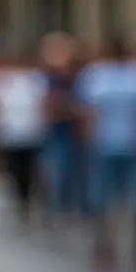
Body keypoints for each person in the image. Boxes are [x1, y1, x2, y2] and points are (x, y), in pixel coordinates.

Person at [76, 37, 136, 272]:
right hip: (104, 147)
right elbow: (87, 112)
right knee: (101, 200)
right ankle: (104, 248)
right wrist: (88, 138)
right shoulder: (96, 75)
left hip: (134, 146)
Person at [0, 49, 48, 224]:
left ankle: (26, 198)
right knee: (14, 167)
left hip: (30, 132)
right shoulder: (3, 79)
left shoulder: (35, 80)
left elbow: (42, 104)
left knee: (28, 168)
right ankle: (18, 197)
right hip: (9, 132)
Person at [40, 32, 84, 225]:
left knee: (71, 173)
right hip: (53, 132)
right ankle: (54, 209)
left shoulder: (76, 79)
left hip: (73, 132)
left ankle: (68, 207)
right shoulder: (46, 79)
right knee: (55, 172)